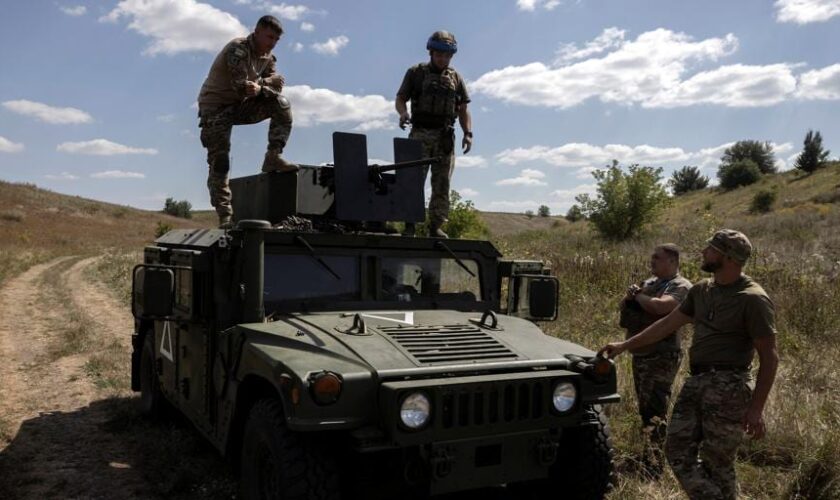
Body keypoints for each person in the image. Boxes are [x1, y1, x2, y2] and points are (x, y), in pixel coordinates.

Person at [599, 230, 779, 500]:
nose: (704, 252)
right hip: (696, 382)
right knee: (675, 450)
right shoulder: (701, 290)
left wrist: (756, 408)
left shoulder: (752, 299)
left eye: (711, 249)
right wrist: (625, 346)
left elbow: (770, 356)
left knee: (718, 463)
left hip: (729, 387)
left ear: (728, 257)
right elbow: (666, 324)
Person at [197, 15, 297, 228]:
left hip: (241, 106)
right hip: (215, 108)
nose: (272, 43)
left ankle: (273, 156)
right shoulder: (238, 48)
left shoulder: (269, 58)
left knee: (281, 104)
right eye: (269, 37)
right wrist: (265, 83)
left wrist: (262, 87)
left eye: (276, 40)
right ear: (257, 31)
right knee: (220, 161)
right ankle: (225, 216)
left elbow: (273, 91)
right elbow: (241, 86)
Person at [618, 243, 692, 473]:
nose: (652, 261)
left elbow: (661, 308)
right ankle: (648, 456)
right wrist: (631, 296)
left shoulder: (681, 286)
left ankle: (655, 464)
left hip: (661, 355)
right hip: (641, 352)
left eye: (657, 258)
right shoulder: (649, 283)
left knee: (655, 408)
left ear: (672, 261)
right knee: (645, 407)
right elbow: (624, 306)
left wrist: (638, 296)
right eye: (652, 257)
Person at [395, 30, 473, 238]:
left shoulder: (456, 77)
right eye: (439, 55)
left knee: (442, 184)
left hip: (444, 137)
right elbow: (401, 98)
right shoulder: (416, 72)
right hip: (420, 133)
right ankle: (409, 225)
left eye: (447, 56)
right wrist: (403, 114)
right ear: (431, 53)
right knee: (413, 180)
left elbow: (463, 108)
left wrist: (468, 133)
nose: (443, 59)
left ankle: (435, 226)